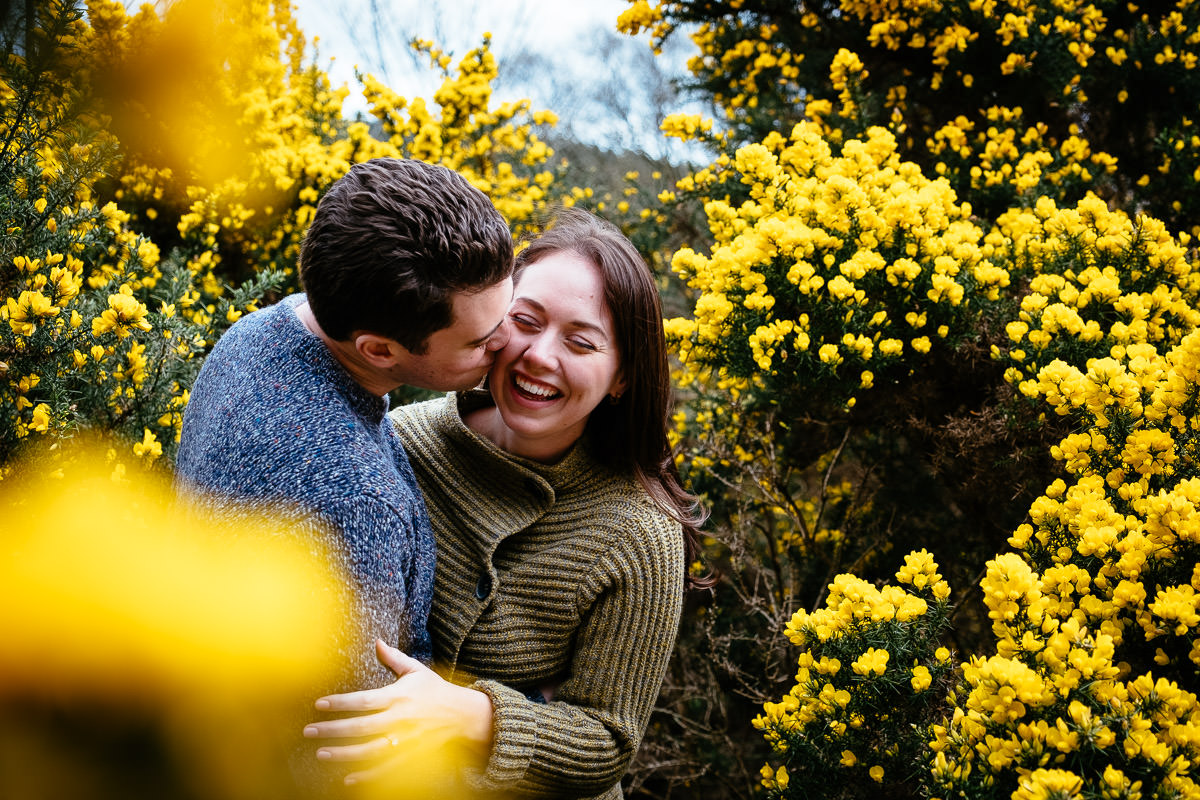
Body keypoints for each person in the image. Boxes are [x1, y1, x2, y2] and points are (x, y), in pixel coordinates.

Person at [302, 208, 711, 799]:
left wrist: (477, 718)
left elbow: (607, 743)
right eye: (525, 320)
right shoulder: (405, 440)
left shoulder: (640, 532)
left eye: (580, 341)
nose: (540, 356)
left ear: (621, 377)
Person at [174, 157, 515, 697]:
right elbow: (359, 735)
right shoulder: (355, 502)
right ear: (378, 349)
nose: (507, 344)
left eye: (509, 314)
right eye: (479, 340)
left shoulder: (261, 330)